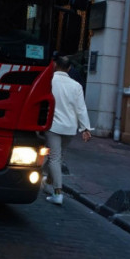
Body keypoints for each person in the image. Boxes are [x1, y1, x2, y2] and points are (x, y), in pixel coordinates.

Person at [43, 54, 93, 206]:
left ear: (55, 65)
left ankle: (57, 192)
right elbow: (81, 108)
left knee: (54, 158)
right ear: (70, 68)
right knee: (57, 157)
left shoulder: (49, 81)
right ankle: (48, 181)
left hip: (53, 125)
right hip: (70, 128)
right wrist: (85, 128)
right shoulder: (76, 86)